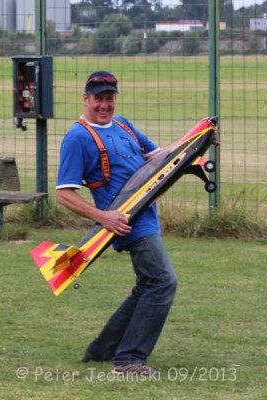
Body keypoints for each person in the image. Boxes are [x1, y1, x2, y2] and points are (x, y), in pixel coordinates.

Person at [55, 70, 176, 377]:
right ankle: (129, 361)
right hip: (127, 224)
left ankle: (101, 350)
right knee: (162, 282)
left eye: (109, 98)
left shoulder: (124, 125)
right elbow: (64, 195)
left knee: (147, 285)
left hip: (147, 217)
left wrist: (199, 142)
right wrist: (103, 217)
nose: (104, 105)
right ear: (86, 98)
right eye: (98, 99)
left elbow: (159, 157)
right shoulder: (78, 137)